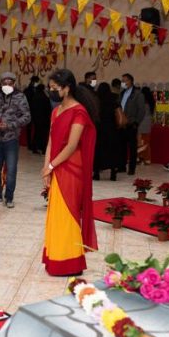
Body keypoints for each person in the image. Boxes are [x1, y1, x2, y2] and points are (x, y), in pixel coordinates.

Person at [41, 69, 98, 276]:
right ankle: (56, 258)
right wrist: (46, 168)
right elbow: (51, 141)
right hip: (56, 166)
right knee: (56, 215)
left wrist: (52, 166)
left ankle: (70, 263)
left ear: (67, 88)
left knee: (68, 216)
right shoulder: (55, 111)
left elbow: (72, 145)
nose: (52, 91)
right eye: (50, 87)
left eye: (55, 88)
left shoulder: (79, 112)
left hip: (72, 169)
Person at [0, 71, 31, 208]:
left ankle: (9, 198)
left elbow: (27, 117)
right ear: (0, 84)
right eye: (4, 82)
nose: (7, 85)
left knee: (11, 170)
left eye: (10, 82)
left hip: (11, 139)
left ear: (14, 83)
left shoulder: (20, 97)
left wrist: (10, 125)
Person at [94, 82, 124, 181]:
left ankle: (96, 173)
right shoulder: (114, 100)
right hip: (112, 129)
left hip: (99, 129)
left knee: (98, 151)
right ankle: (113, 173)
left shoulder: (96, 101)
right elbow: (119, 113)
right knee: (112, 151)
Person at [119, 73, 146, 175]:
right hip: (122, 124)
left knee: (132, 148)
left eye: (125, 81)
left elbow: (142, 110)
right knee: (121, 147)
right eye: (122, 81)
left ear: (131, 81)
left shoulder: (138, 94)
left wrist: (136, 122)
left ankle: (131, 168)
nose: (123, 83)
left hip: (131, 124)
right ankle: (121, 166)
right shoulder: (122, 93)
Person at [31, 83, 52, 156]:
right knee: (43, 135)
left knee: (36, 133)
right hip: (44, 119)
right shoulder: (45, 97)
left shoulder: (35, 97)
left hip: (36, 118)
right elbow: (48, 109)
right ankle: (43, 149)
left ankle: (34, 148)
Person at [138, 86, 155, 166]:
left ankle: (140, 158)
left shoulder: (141, 102)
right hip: (148, 123)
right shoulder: (152, 102)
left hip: (140, 123)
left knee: (140, 141)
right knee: (146, 141)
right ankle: (147, 159)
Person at [24, 75, 40, 153]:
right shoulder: (31, 90)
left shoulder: (28, 89)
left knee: (30, 129)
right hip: (32, 111)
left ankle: (30, 144)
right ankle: (31, 144)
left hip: (30, 111)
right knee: (31, 129)